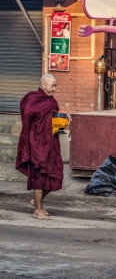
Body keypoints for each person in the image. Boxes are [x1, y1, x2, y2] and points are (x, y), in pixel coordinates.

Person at [15, 74, 64, 220]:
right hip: (37, 143)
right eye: (51, 86)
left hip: (51, 143)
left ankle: (38, 201)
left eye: (55, 86)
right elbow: (28, 112)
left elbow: (54, 118)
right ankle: (37, 210)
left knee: (56, 174)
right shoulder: (33, 98)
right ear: (43, 84)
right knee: (39, 176)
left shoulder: (52, 101)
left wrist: (62, 119)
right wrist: (46, 115)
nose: (54, 89)